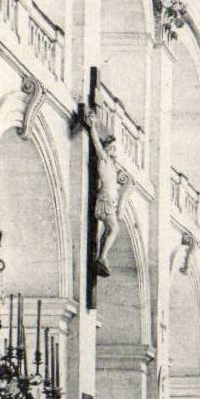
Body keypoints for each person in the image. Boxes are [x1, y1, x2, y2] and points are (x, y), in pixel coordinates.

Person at [78, 103, 120, 277]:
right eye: (113, 148)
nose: (115, 151)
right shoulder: (104, 160)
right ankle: (102, 257)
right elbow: (96, 142)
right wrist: (93, 126)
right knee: (114, 229)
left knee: (109, 231)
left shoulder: (112, 166)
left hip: (109, 202)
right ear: (108, 149)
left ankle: (102, 257)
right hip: (104, 201)